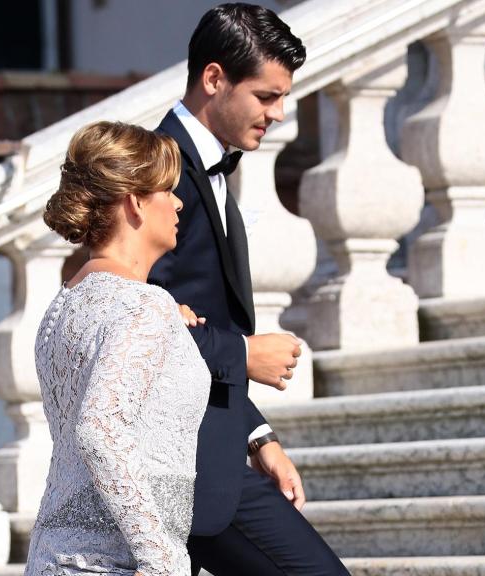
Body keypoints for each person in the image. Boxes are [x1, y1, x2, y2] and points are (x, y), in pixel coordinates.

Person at [149, 4, 349, 575]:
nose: (280, 114)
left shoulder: (211, 169)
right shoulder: (153, 170)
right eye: (266, 96)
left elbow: (200, 313)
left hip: (213, 443)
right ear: (215, 79)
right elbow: (134, 321)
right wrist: (244, 354)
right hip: (178, 464)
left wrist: (258, 434)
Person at [26, 121, 211, 576]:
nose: (178, 202)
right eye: (167, 191)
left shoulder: (64, 304)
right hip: (114, 563)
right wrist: (163, 559)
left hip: (56, 553)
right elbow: (100, 427)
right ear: (135, 203)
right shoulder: (144, 306)